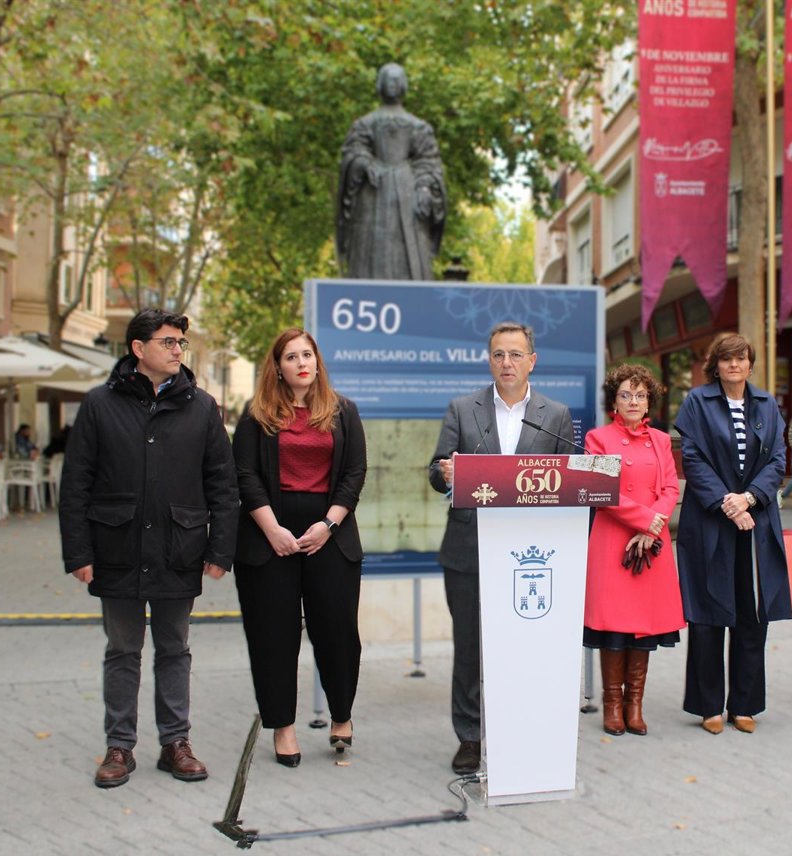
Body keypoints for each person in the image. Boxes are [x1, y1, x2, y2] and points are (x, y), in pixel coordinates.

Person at [59, 308, 238, 789]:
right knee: (122, 649)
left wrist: (221, 549)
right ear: (139, 349)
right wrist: (78, 553)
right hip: (115, 546)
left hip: (179, 547)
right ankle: (119, 746)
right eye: (168, 342)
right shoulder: (99, 405)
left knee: (174, 649)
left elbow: (222, 483)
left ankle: (175, 743)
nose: (178, 350)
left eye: (181, 342)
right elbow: (75, 483)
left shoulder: (202, 406)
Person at [428, 321, 574, 774]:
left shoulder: (555, 415)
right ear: (489, 360)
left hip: (530, 555)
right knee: (470, 648)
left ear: (532, 361)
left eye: (515, 354)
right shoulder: (461, 409)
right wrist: (445, 473)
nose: (506, 363)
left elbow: (566, 482)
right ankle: (470, 737)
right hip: (469, 547)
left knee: (525, 648)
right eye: (498, 355)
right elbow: (435, 471)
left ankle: (523, 729)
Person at [232, 329, 367, 765]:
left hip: (329, 532)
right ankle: (283, 728)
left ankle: (341, 716)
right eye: (291, 356)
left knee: (337, 630)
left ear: (317, 361)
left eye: (307, 354)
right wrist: (272, 529)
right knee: (274, 635)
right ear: (278, 367)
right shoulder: (256, 417)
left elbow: (354, 475)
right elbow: (246, 475)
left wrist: (328, 524)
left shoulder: (344, 411)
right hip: (268, 535)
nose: (301, 362)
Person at [674, 333, 792, 735]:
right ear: (716, 365)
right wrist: (727, 502)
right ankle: (708, 705)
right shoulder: (697, 402)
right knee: (708, 614)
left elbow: (778, 458)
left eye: (741, 358)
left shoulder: (766, 404)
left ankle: (744, 704)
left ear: (750, 364)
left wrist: (751, 499)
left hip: (754, 523)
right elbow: (692, 457)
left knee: (751, 612)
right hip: (710, 521)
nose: (734, 365)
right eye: (726, 359)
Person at [583, 364, 684, 737]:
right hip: (613, 542)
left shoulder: (660, 440)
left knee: (643, 627)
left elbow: (671, 488)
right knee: (614, 626)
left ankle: (634, 704)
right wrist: (645, 520)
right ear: (614, 399)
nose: (633, 401)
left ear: (650, 402)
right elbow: (600, 490)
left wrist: (653, 525)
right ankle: (611, 705)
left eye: (640, 395)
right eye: (625, 394)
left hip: (651, 547)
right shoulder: (597, 438)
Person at [337, 63, 446, 280]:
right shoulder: (364, 124)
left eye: (397, 79)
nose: (393, 83)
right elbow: (352, 152)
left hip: (408, 195)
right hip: (373, 194)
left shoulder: (418, 126)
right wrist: (365, 164)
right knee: (370, 247)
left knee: (410, 253)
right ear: (380, 84)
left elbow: (429, 161)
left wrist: (424, 186)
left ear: (404, 85)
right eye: (388, 78)